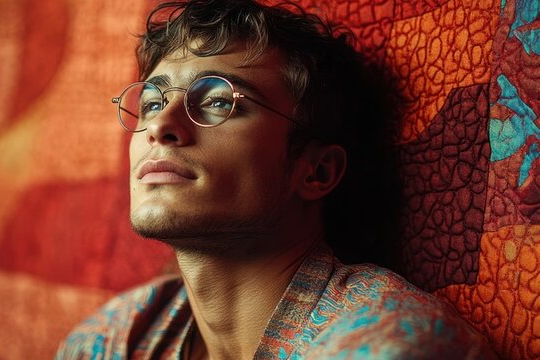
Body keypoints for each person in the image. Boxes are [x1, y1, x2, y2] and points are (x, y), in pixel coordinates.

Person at [56, 0, 497, 359]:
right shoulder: (109, 339)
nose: (161, 125)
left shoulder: (396, 345)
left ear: (317, 171)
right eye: (152, 103)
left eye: (216, 102)